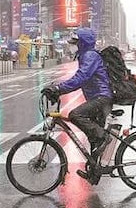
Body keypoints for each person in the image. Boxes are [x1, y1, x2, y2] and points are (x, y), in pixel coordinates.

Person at [40, 28, 113, 183]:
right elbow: (81, 80)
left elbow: (81, 78)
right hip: (96, 98)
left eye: (75, 42)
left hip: (101, 98)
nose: (72, 45)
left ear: (83, 43)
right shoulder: (85, 56)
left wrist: (59, 89)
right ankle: (95, 172)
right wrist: (58, 89)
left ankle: (103, 137)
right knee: (92, 139)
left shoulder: (90, 56)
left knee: (75, 115)